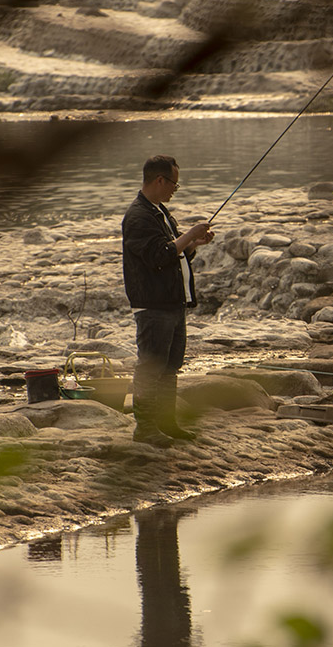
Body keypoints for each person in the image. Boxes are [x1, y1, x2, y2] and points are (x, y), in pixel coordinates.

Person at [122, 155, 214, 447]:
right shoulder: (137, 216)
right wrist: (189, 235)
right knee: (151, 367)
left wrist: (193, 243)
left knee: (170, 366)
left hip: (173, 303)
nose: (176, 188)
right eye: (174, 182)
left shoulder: (160, 212)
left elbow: (174, 253)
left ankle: (166, 423)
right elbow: (159, 255)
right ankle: (145, 429)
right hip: (153, 305)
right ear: (159, 180)